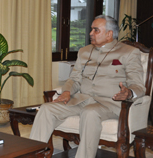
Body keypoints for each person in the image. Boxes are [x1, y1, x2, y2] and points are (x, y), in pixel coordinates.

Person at [29, 15, 145, 158]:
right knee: (46, 109)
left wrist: (129, 93)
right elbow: (75, 79)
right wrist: (66, 91)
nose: (90, 33)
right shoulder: (84, 51)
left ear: (109, 34)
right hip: (82, 99)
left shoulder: (128, 52)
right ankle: (32, 155)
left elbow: (139, 85)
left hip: (110, 103)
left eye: (96, 30)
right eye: (91, 29)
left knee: (90, 113)